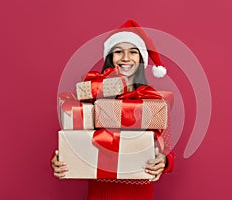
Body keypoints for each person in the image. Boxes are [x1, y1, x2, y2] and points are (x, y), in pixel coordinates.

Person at [51, 19, 174, 200]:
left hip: (139, 193)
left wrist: (164, 162)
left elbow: (168, 148)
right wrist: (58, 160)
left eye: (133, 52)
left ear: (141, 59)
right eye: (118, 52)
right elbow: (74, 140)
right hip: (100, 194)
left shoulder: (152, 100)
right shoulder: (91, 95)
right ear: (110, 57)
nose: (125, 58)